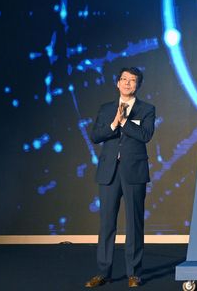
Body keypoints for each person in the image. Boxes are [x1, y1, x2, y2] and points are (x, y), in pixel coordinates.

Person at [85, 67, 156, 288]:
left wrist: (125, 122)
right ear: (117, 83)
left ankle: (134, 273)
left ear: (138, 85)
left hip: (134, 171)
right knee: (107, 224)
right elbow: (95, 136)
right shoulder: (106, 109)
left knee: (134, 223)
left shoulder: (147, 109)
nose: (127, 83)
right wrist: (114, 123)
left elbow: (146, 135)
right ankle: (103, 272)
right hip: (109, 172)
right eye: (124, 79)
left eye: (132, 80)